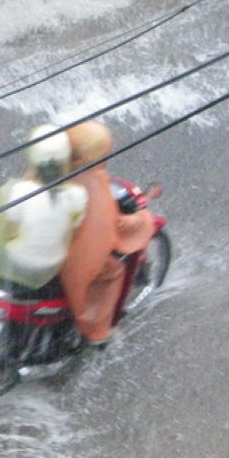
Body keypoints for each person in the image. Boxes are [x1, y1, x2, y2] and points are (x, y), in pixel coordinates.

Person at [60, 122, 157, 347]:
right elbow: (105, 227)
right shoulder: (91, 183)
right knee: (113, 271)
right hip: (70, 257)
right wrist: (135, 221)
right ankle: (98, 332)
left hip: (42, 247)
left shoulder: (57, 172)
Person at [0, 123, 88, 293]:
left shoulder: (18, 191)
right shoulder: (77, 195)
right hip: (52, 266)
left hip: (16, 268)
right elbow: (74, 232)